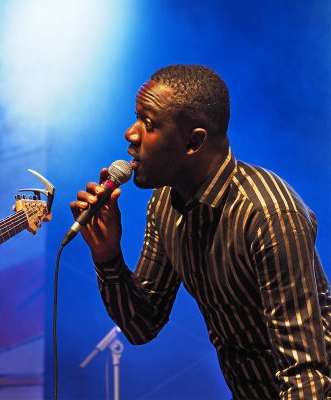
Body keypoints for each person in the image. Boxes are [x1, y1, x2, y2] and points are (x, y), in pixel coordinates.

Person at [70, 64, 330, 398]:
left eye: (147, 123)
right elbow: (141, 324)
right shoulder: (164, 202)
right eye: (136, 118)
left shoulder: (269, 214)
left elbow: (305, 375)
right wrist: (108, 258)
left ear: (194, 141)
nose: (130, 135)